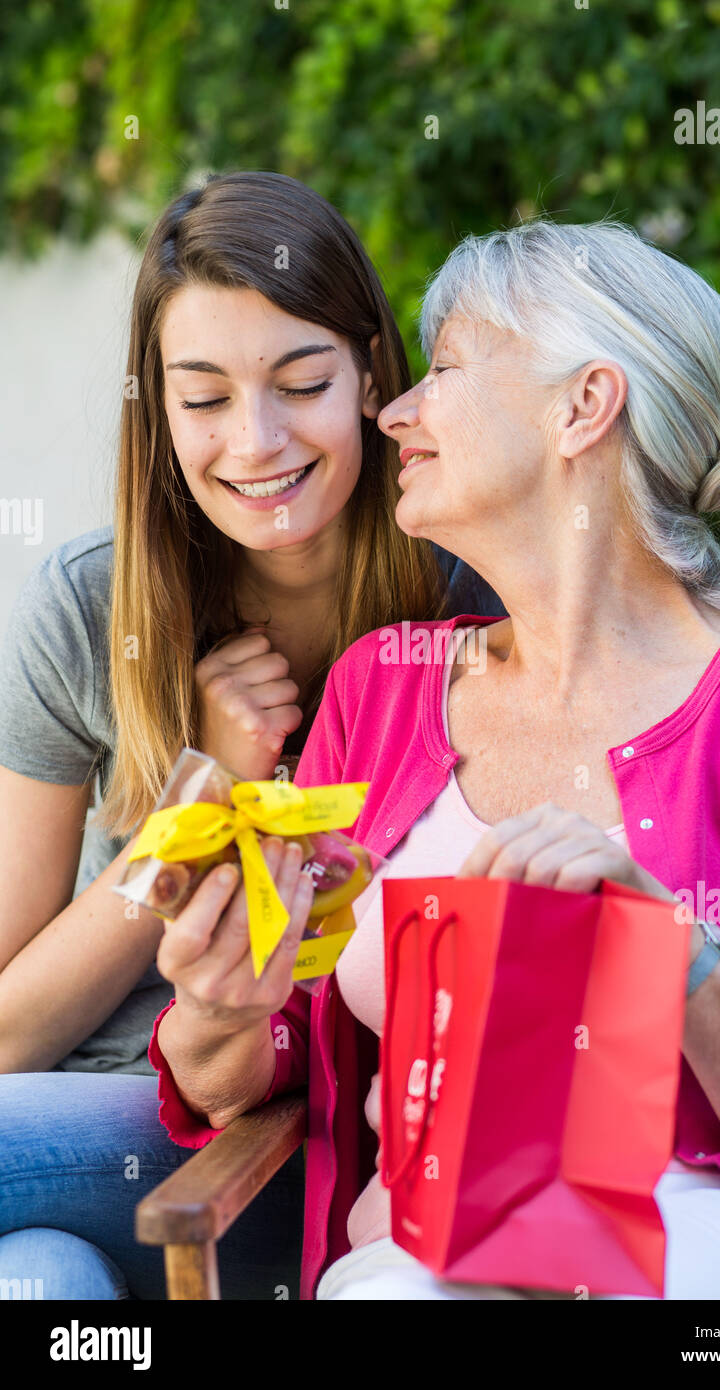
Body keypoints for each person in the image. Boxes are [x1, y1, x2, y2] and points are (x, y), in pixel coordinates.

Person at [152, 217, 720, 1301]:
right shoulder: (377, 687)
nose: (393, 410)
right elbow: (257, 1062)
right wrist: (218, 1005)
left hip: (706, 1250)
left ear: (581, 406)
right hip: (420, 1258)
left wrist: (676, 951)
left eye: (441, 370)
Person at [0, 171, 499, 1300]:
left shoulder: (465, 608)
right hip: (81, 1127)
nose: (255, 440)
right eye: (204, 397)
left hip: (298, 1145)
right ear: (157, 405)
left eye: (301, 381)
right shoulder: (88, 611)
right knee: (37, 1284)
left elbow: (660, 597)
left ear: (372, 373)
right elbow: (8, 1029)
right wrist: (202, 800)